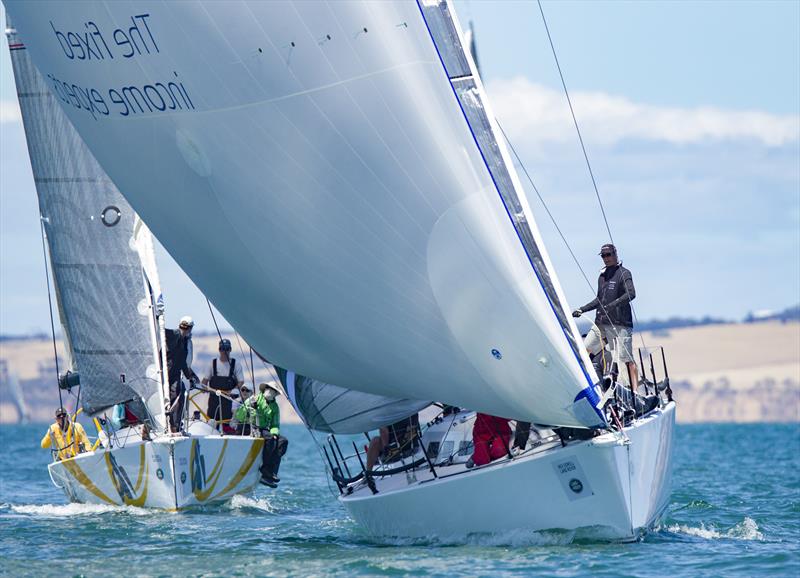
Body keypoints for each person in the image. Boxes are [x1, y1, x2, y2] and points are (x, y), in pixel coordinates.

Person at [572, 244, 639, 392]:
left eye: (608, 254)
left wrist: (613, 305)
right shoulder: (602, 276)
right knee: (584, 350)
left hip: (620, 324)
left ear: (615, 254)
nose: (606, 258)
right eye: (603, 256)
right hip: (601, 323)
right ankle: (591, 386)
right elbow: (599, 300)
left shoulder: (624, 273)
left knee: (624, 358)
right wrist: (582, 309)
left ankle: (634, 393)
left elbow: (631, 293)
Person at [164, 316, 198, 432]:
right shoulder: (174, 334)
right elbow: (161, 330)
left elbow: (183, 362)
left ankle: (175, 426)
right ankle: (173, 426)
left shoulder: (184, 342)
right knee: (176, 396)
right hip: (165, 374)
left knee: (180, 394)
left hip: (175, 375)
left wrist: (190, 377)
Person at [202, 338, 244, 431]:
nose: (224, 352)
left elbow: (241, 382)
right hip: (214, 399)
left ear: (230, 350)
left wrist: (233, 390)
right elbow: (204, 381)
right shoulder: (212, 363)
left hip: (228, 400)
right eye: (222, 349)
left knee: (227, 426)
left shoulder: (236, 364)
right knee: (211, 425)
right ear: (219, 350)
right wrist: (204, 388)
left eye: (227, 349)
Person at [254, 383, 288, 488]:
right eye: (269, 389)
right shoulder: (255, 399)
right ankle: (265, 469)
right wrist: (251, 407)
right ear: (265, 389)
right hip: (254, 427)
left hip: (265, 430)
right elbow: (240, 414)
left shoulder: (275, 407)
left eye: (273, 390)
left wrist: (274, 434)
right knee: (270, 439)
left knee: (283, 441)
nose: (270, 391)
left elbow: (275, 424)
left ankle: (271, 472)